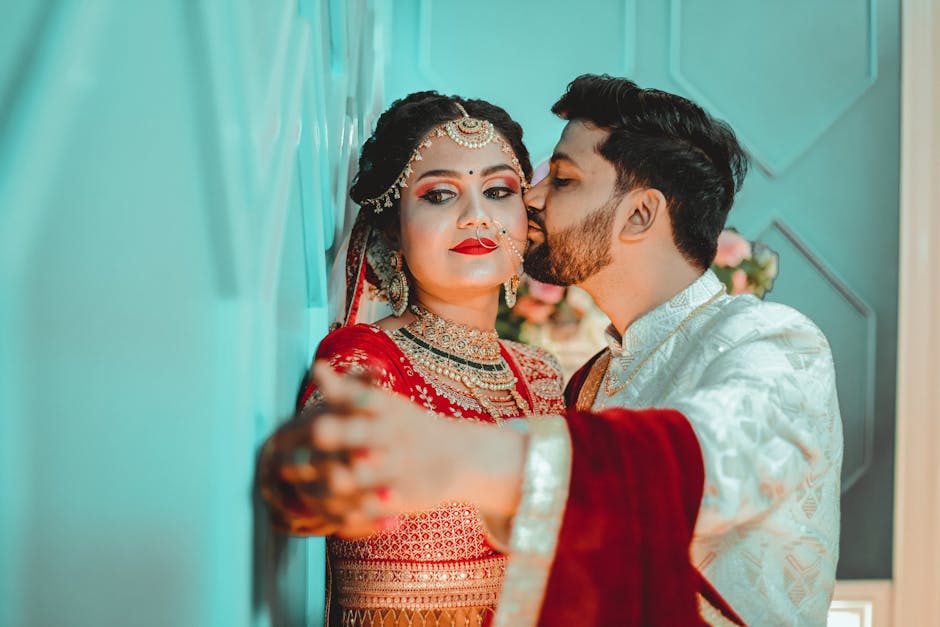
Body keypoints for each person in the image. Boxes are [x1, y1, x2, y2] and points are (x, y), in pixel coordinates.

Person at [265, 75, 844, 627]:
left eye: (561, 180)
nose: (531, 199)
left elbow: (714, 464)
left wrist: (456, 456)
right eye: (443, 194)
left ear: (639, 214)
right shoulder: (591, 382)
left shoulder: (773, 345)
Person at [259, 91, 567, 627]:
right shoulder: (366, 363)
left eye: (498, 190)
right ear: (392, 231)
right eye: (441, 195)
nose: (476, 217)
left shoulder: (540, 377)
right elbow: (321, 466)